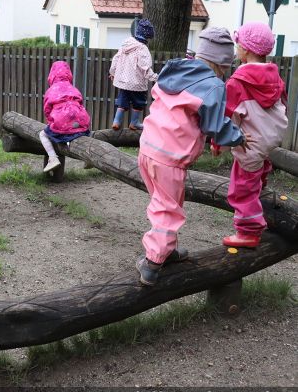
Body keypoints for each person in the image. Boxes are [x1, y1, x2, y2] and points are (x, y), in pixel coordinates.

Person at [136, 27, 251, 286]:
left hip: (147, 148)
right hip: (170, 158)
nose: (224, 73)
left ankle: (167, 250)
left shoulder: (174, 71)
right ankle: (153, 263)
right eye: (225, 68)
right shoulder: (213, 85)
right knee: (167, 209)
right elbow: (215, 126)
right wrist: (238, 137)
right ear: (220, 64)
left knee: (162, 202)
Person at [212, 22, 288, 248]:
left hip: (250, 143)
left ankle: (249, 231)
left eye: (238, 45)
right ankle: (260, 183)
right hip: (271, 138)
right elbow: (283, 105)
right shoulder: (276, 78)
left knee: (240, 188)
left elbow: (225, 116)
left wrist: (218, 143)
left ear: (245, 50)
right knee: (257, 164)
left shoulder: (238, 82)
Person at [40, 61, 91, 173]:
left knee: (43, 134)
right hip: (81, 121)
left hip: (61, 122)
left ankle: (53, 158)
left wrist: (51, 122)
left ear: (52, 75)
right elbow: (80, 104)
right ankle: (89, 156)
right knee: (83, 132)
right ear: (69, 74)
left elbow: (47, 110)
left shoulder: (51, 90)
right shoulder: (74, 89)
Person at [109, 19, 157, 131]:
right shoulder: (142, 48)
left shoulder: (125, 45)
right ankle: (134, 123)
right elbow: (145, 68)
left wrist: (112, 72)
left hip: (123, 82)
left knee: (122, 101)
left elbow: (115, 60)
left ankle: (116, 121)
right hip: (137, 82)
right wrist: (155, 77)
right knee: (138, 102)